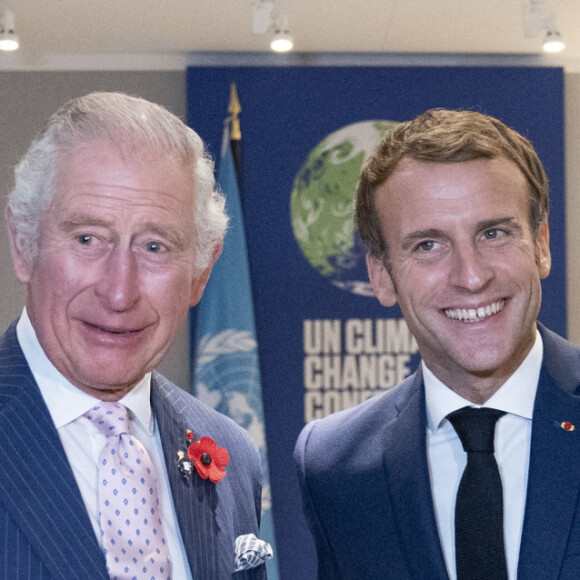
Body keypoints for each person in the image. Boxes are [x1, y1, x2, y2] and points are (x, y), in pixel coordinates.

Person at [295, 108, 580, 579]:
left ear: (542, 245)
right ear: (382, 277)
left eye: (494, 233)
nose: (472, 276)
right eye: (428, 245)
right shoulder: (333, 466)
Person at [0, 92, 268, 579]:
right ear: (23, 244)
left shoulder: (232, 453)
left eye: (154, 246)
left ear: (201, 272)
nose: (119, 291)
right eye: (87, 239)